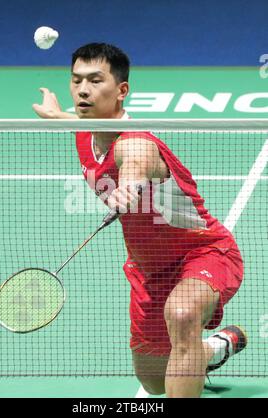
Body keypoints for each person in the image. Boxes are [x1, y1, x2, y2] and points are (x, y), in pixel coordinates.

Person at [33, 43, 247, 398]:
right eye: (76, 81)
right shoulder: (88, 130)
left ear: (121, 90)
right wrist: (58, 117)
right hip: (148, 268)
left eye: (95, 80)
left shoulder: (135, 144)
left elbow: (136, 160)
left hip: (203, 253)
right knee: (155, 382)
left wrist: (128, 187)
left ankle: (192, 345)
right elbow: (83, 124)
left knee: (181, 315)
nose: (83, 90)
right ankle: (214, 348)